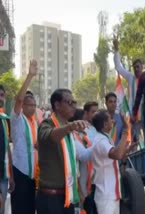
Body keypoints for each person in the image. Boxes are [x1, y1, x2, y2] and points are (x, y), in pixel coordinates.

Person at [36, 89, 91, 214]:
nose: (74, 106)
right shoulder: (47, 124)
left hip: (67, 195)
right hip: (51, 198)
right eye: (69, 102)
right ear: (57, 105)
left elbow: (72, 163)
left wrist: (78, 190)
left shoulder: (68, 128)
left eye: (74, 102)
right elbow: (51, 135)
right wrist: (70, 127)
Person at [91, 109, 136, 214]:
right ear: (105, 124)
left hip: (111, 194)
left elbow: (116, 155)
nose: (113, 120)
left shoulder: (105, 138)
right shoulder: (101, 141)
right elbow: (117, 154)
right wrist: (125, 130)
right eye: (110, 119)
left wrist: (128, 149)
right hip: (106, 196)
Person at [10, 60, 38, 214]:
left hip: (32, 174)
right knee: (20, 209)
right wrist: (30, 76)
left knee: (30, 209)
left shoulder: (34, 122)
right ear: (22, 106)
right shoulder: (17, 119)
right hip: (20, 171)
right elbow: (19, 99)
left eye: (34, 105)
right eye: (29, 105)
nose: (32, 107)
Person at [0, 85, 14, 214]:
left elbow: (7, 148)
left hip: (3, 176)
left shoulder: (4, 120)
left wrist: (11, 175)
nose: (0, 98)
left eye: (2, 95)